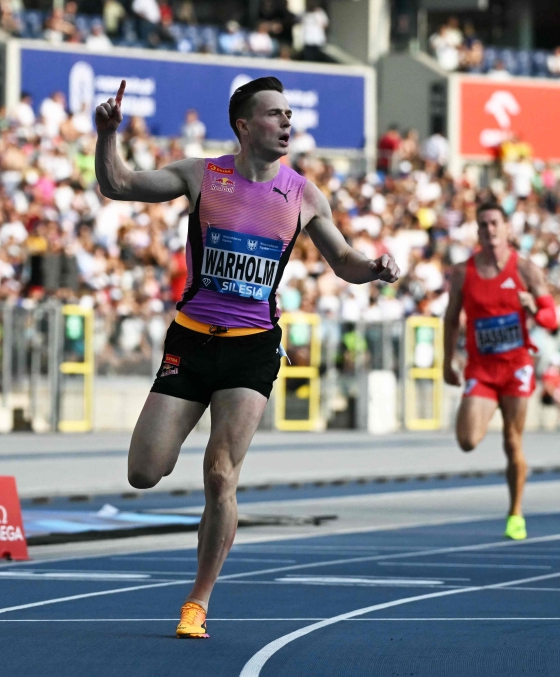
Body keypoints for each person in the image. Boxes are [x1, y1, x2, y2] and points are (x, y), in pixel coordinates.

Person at [94, 75, 400, 639]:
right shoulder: (201, 175)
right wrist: (106, 136)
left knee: (220, 475)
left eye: (288, 114)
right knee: (143, 471)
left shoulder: (304, 194)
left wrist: (374, 268)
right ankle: (196, 571)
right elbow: (118, 184)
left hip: (252, 349)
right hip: (190, 340)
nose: (286, 123)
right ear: (243, 125)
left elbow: (344, 260)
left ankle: (198, 601)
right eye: (274, 114)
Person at [443, 202, 558, 541]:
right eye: (482, 225)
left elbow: (552, 318)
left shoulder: (525, 270)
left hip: (516, 367)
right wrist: (447, 361)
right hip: (481, 366)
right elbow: (450, 319)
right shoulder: (464, 272)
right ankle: (487, 408)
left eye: (494, 223)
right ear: (477, 232)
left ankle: (515, 512)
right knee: (466, 440)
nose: (489, 229)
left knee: (512, 441)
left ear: (507, 228)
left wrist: (535, 308)